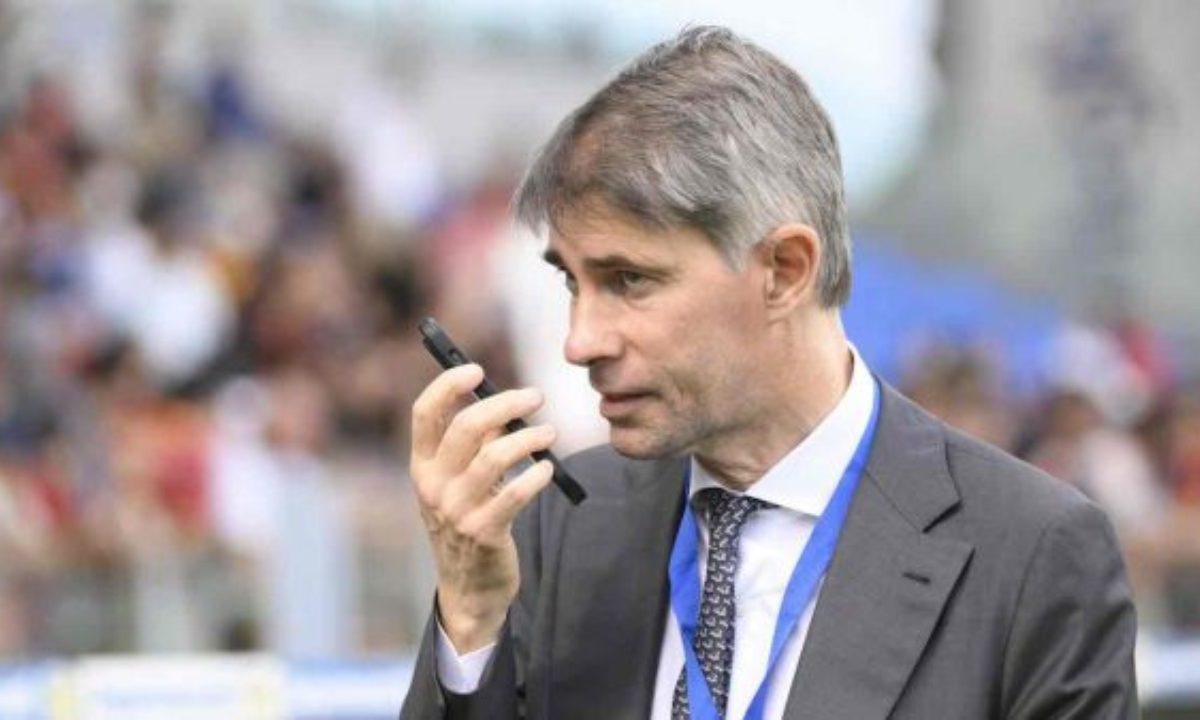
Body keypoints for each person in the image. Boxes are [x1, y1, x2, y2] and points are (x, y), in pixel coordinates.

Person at [400, 26, 1137, 720]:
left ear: (785, 270)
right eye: (572, 281)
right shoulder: (562, 522)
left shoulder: (1033, 554)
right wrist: (471, 624)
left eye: (629, 280)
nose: (580, 340)